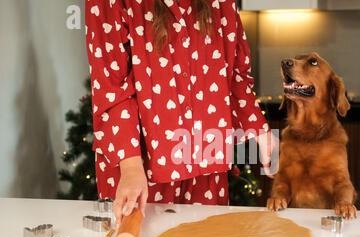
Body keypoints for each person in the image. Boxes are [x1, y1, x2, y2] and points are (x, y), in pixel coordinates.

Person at [85, 0, 274, 223]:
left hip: (205, 159)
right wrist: (130, 167)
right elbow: (111, 87)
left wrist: (260, 130)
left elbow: (235, 71)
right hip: (140, 167)